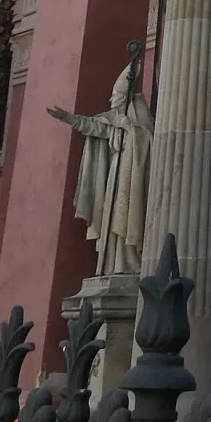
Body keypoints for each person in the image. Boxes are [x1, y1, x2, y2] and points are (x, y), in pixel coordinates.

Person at [48, 54, 153, 276]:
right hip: (116, 174)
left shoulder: (138, 112)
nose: (112, 99)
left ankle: (130, 263)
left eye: (117, 96)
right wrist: (65, 117)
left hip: (131, 175)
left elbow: (150, 140)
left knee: (128, 219)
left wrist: (129, 128)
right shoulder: (114, 117)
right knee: (114, 219)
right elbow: (93, 126)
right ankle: (114, 264)